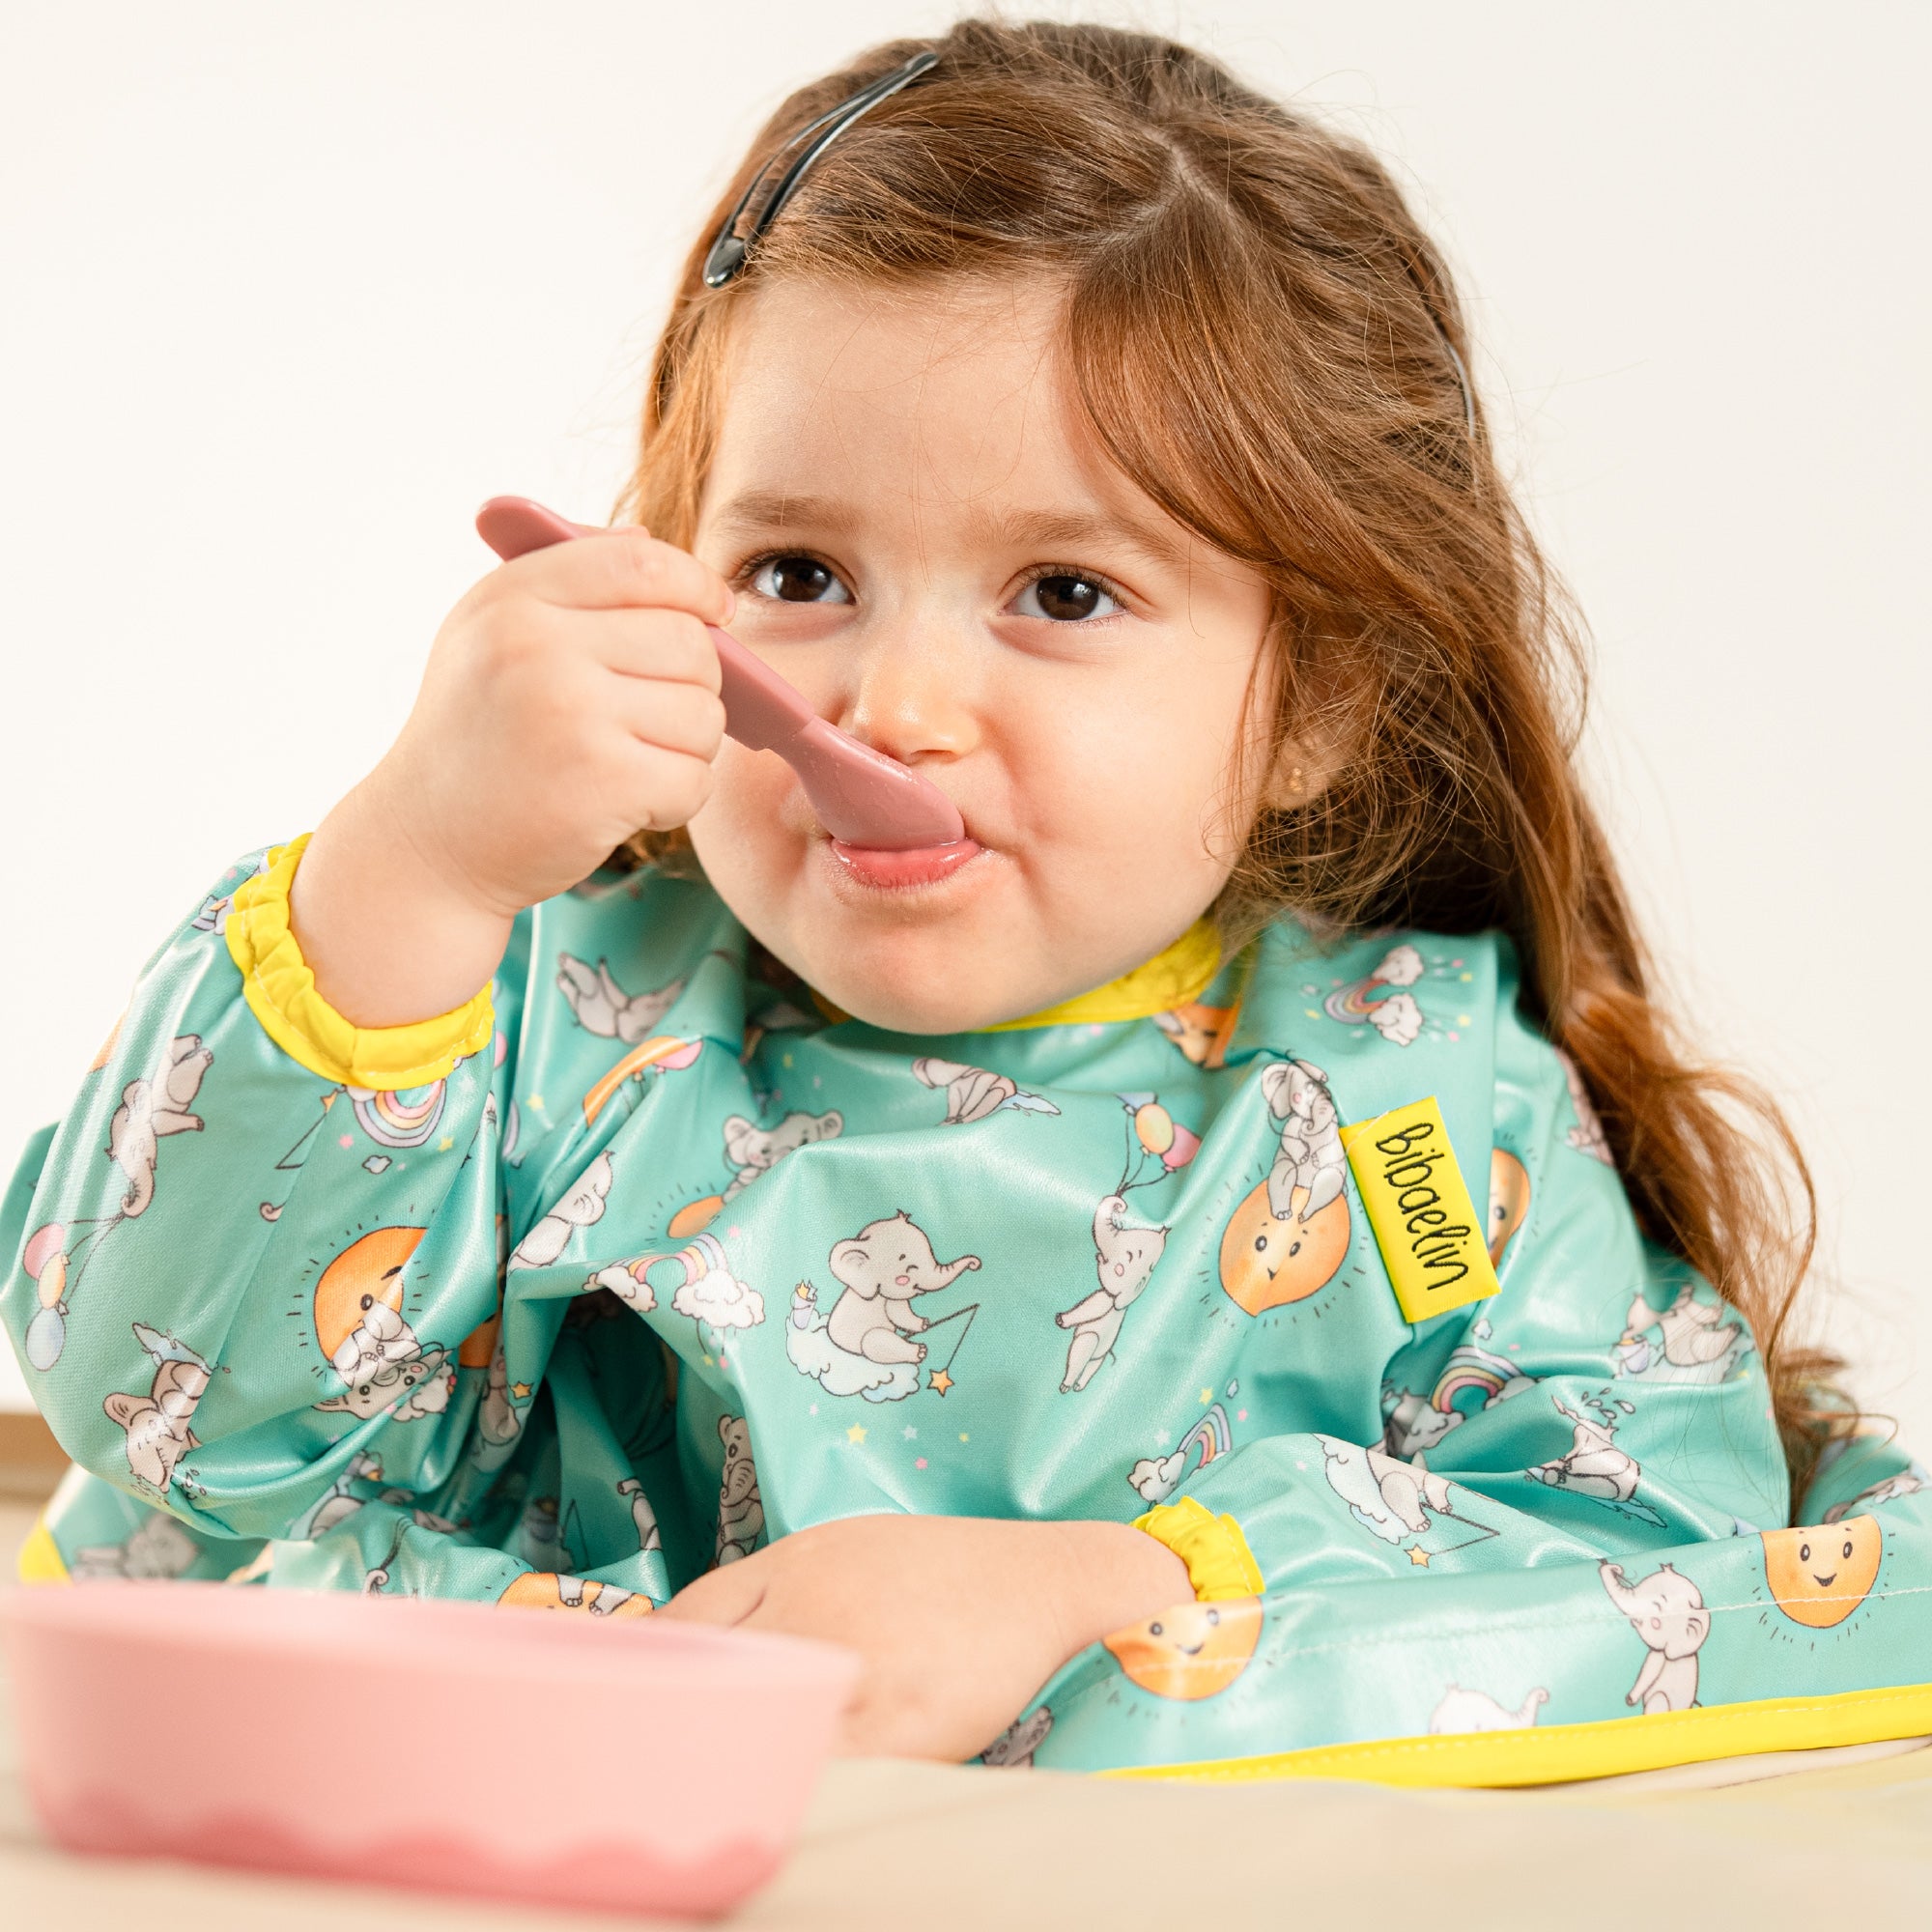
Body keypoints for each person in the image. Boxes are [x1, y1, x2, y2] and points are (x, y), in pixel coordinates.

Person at [5, 19, 1926, 1776]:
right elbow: (178, 1447)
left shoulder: (1407, 1111)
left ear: (1318, 704)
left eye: (1062, 596)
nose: (891, 707)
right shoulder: (516, 1017)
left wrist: (1107, 1583)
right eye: (796, 572)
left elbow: (1653, 1556)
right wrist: (405, 870)